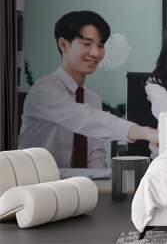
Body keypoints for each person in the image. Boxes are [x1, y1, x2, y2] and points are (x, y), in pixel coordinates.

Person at [19, 11, 158, 168]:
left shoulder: (92, 99)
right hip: (38, 187)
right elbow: (85, 118)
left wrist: (99, 183)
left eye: (100, 45)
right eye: (87, 44)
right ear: (63, 45)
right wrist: (144, 132)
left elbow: (96, 154)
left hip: (79, 187)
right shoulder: (43, 91)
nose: (95, 53)